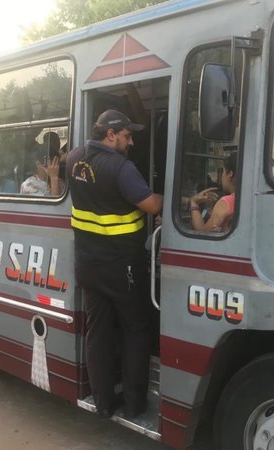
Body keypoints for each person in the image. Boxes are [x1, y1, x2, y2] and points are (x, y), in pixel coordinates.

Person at [66, 109, 163, 420]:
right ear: (111, 134)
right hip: (124, 266)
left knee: (98, 331)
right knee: (135, 330)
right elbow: (150, 204)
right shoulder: (122, 167)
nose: (131, 141)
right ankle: (135, 405)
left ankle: (104, 402)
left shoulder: (73, 159)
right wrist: (170, 199)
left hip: (88, 264)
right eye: (127, 135)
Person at [189, 153, 237, 232]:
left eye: (223, 171)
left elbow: (203, 233)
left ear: (230, 174)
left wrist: (194, 203)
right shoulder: (248, 198)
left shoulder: (227, 202)